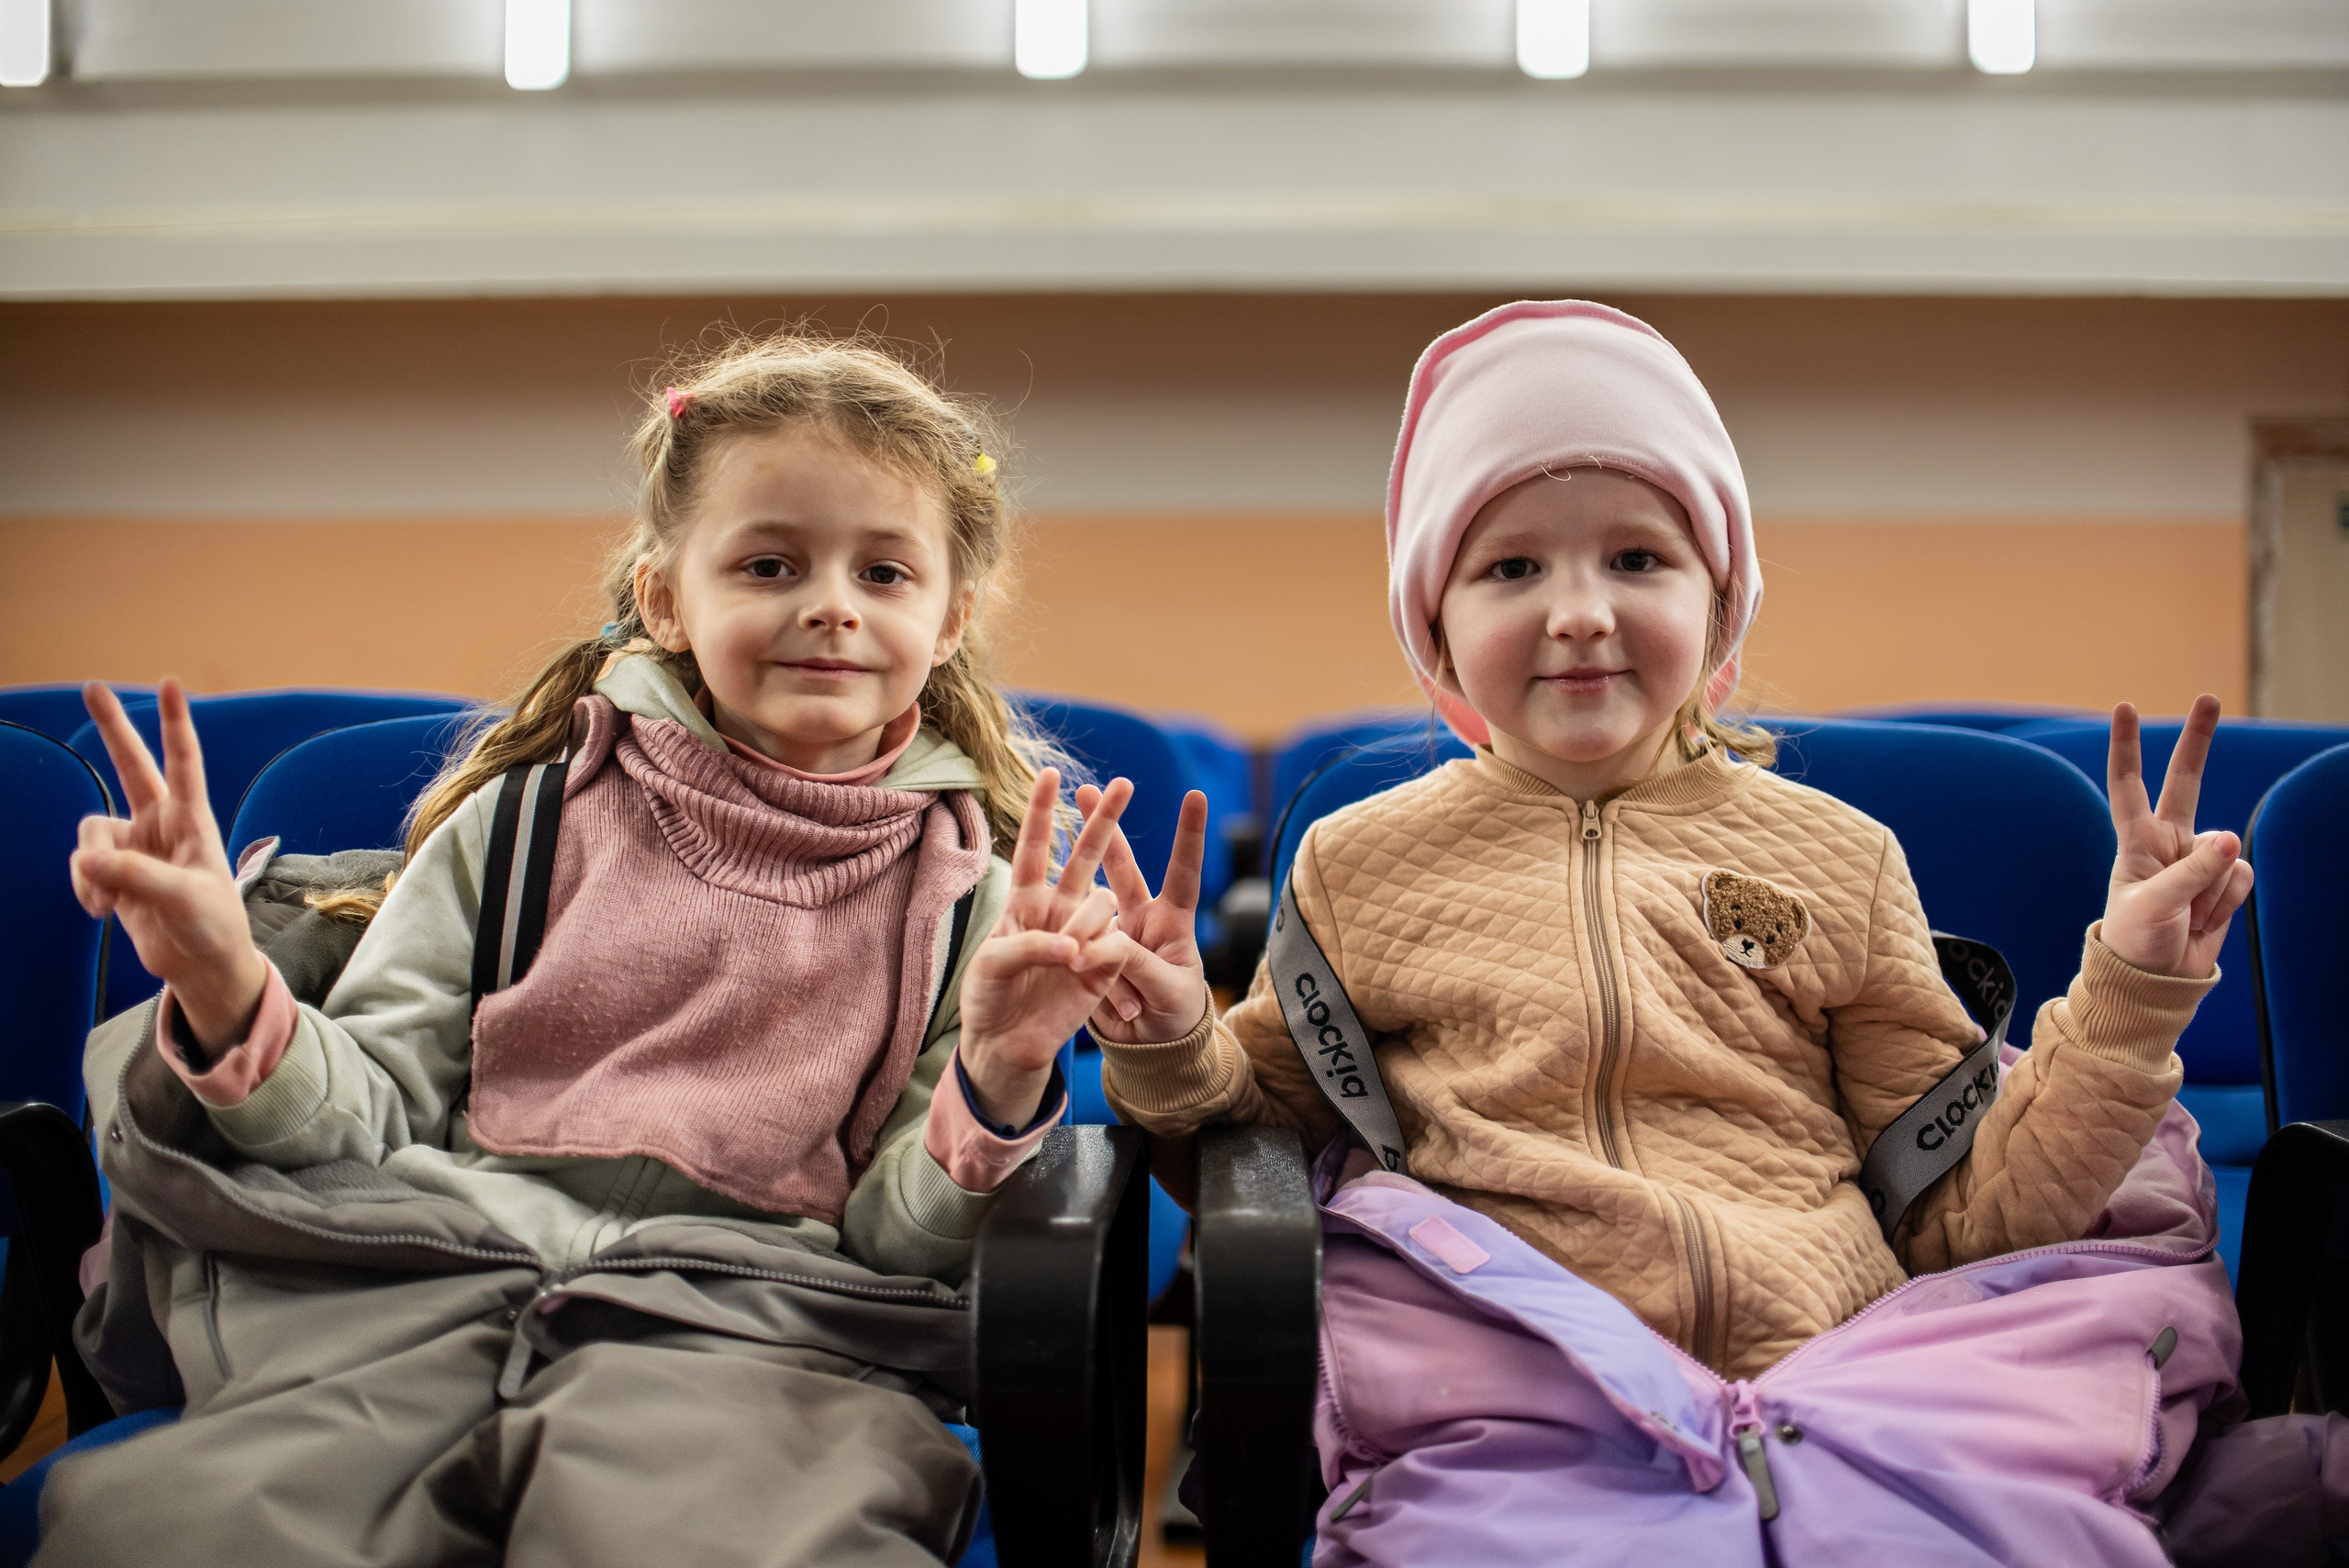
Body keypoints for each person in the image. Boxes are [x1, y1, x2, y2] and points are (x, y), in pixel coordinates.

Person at [1081, 301, 2330, 1564]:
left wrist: (2128, 993)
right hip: (1520, 1399)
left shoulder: (1843, 858)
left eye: (1637, 559)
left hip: (1845, 1387)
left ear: (1720, 607)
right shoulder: (1360, 862)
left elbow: (1971, 1219)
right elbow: (1251, 1148)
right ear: (1437, 633)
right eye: (1512, 568)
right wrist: (1175, 1036)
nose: (1577, 611)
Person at [49, 331, 1162, 1567]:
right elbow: (359, 1127)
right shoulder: (522, 822)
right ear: (665, 598)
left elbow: (900, 1249)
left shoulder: (971, 904)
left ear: (952, 616)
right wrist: (225, 984)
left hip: (753, 1335)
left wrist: (999, 1069)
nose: (831, 602)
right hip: (409, 1291)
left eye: (884, 572)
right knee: (191, 1532)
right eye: (771, 561)